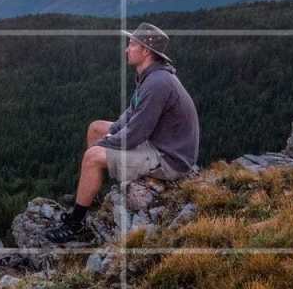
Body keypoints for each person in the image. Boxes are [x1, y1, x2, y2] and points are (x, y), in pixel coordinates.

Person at [45, 22, 200, 243]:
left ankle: (75, 223)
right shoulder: (150, 77)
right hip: (159, 143)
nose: (127, 50)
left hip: (170, 159)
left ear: (146, 51)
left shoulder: (158, 84)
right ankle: (92, 195)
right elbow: (129, 116)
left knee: (92, 157)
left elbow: (136, 134)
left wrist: (107, 144)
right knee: (96, 128)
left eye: (131, 45)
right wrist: (109, 136)